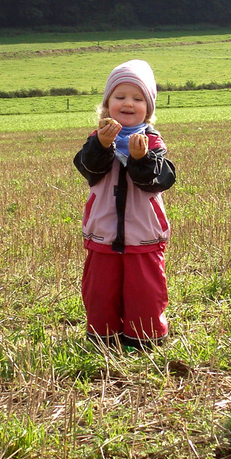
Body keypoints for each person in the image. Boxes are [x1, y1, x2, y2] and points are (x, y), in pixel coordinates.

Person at [73, 59, 176, 348]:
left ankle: (145, 340)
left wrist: (140, 159)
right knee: (99, 291)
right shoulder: (97, 140)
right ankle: (103, 341)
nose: (128, 103)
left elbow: (156, 181)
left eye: (137, 98)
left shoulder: (153, 143)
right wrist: (102, 146)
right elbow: (89, 170)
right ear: (107, 106)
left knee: (145, 290)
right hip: (103, 231)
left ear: (148, 108)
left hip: (142, 232)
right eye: (120, 97)